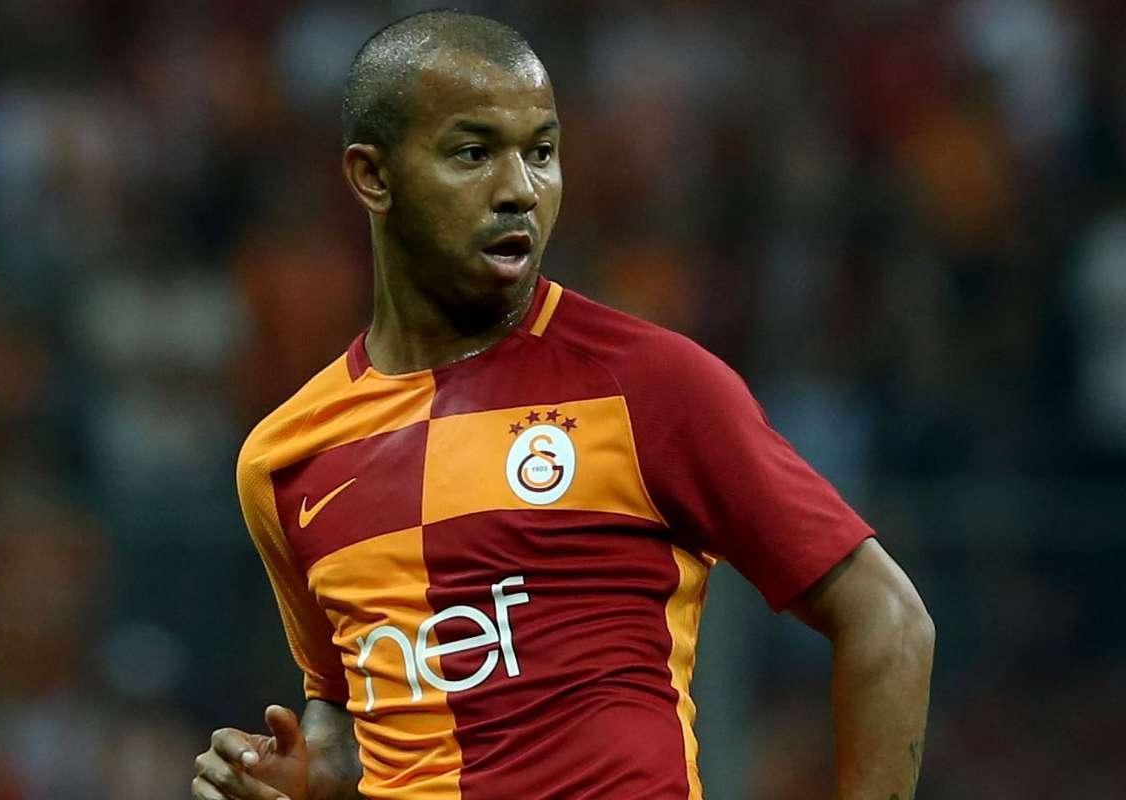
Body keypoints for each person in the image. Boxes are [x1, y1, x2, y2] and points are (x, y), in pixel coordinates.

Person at [192, 10, 934, 800]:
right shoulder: (287, 458)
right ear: (373, 177)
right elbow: (351, 720)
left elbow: (888, 620)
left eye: (541, 152)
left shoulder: (650, 385)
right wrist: (298, 778)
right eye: (474, 152)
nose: (520, 188)